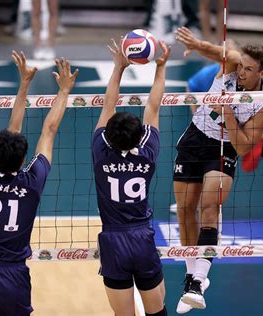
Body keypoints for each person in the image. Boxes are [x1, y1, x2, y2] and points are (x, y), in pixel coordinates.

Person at [0, 51, 78, 315]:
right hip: (12, 277)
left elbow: (12, 128)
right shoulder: (32, 182)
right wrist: (63, 92)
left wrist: (24, 83)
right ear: (23, 158)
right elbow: (49, 130)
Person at [173, 26, 263, 311]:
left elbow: (243, 147)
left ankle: (198, 283)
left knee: (209, 209)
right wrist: (196, 44)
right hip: (194, 139)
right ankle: (191, 274)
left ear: (262, 74)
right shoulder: (231, 66)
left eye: (248, 69)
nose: (241, 72)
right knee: (184, 210)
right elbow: (217, 52)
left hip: (224, 148)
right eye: (241, 66)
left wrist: (228, 110)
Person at [171, 61, 263, 224]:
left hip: (253, 124)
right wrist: (199, 115)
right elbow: (191, 88)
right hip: (215, 129)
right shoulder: (210, 73)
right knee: (202, 161)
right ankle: (192, 201)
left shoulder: (255, 75)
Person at [92, 38, 170, 316]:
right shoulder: (148, 150)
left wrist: (119, 68)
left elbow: (107, 105)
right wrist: (160, 68)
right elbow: (154, 107)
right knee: (157, 311)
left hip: (113, 240)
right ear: (140, 136)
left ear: (109, 136)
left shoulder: (100, 151)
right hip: (142, 237)